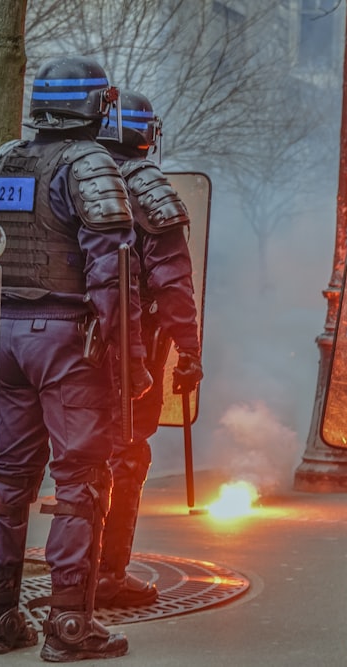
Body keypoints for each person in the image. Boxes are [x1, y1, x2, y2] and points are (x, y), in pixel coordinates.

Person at [0, 55, 152, 662]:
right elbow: (112, 268)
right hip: (65, 338)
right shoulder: (90, 164)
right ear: (96, 106)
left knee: (9, 483)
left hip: (3, 334)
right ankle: (69, 627)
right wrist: (128, 355)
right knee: (81, 483)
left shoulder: (7, 159)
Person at [92, 90, 203, 608]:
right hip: (130, 349)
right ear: (144, 133)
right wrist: (189, 351)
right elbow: (174, 284)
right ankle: (107, 576)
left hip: (55, 344)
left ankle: (53, 584)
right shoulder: (145, 185)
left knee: (73, 461)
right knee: (127, 456)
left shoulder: (66, 176)